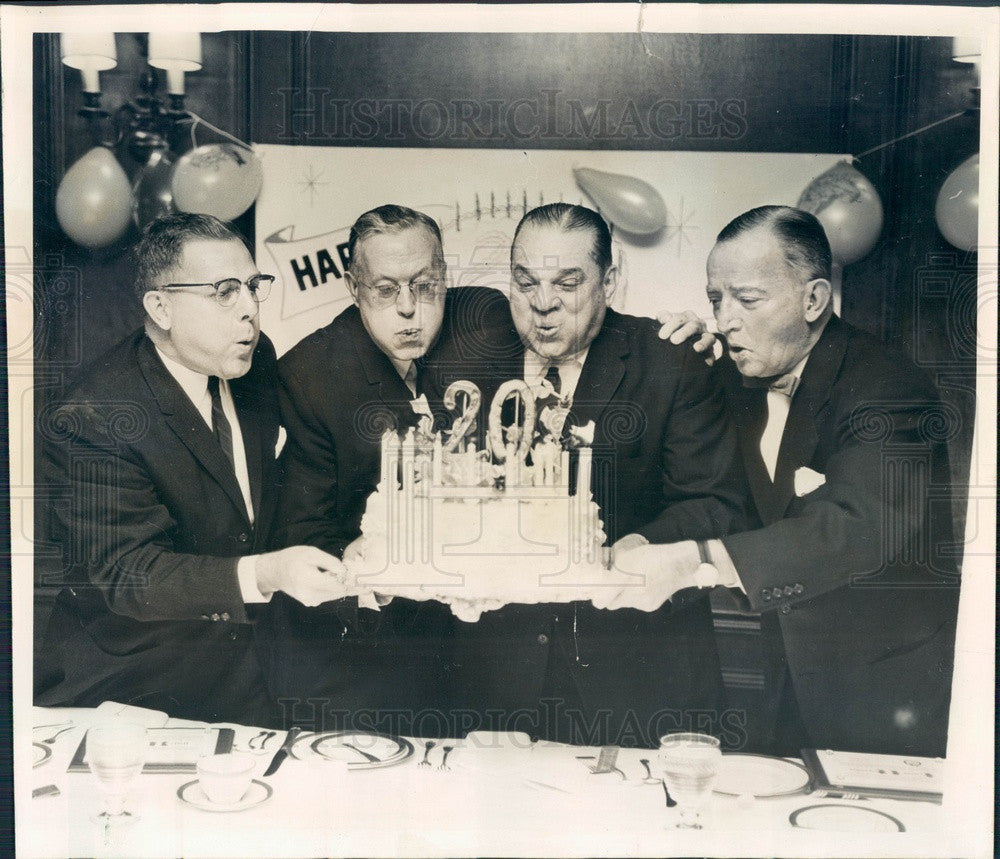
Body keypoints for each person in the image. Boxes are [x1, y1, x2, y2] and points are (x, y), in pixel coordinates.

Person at [603, 206, 960, 756]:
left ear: (813, 300)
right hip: (783, 679)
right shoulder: (733, 371)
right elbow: (710, 487)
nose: (726, 320)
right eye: (716, 300)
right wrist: (676, 357)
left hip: (884, 687)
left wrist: (694, 557)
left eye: (747, 299)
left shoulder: (889, 386)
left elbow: (852, 529)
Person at [432, 202, 748, 747]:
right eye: (525, 282)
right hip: (498, 688)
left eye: (568, 284)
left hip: (639, 686)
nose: (543, 305)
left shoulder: (673, 361)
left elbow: (718, 504)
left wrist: (638, 545)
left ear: (611, 281)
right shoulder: (465, 353)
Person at [34, 213, 347, 725]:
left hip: (248, 672)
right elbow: (130, 574)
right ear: (160, 307)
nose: (250, 310)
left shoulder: (250, 360)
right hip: (132, 688)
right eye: (224, 292)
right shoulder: (92, 417)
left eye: (252, 286)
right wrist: (266, 573)